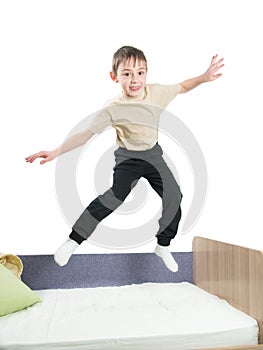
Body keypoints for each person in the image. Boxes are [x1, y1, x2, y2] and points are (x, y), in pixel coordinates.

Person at [26, 46, 224, 272]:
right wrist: (55, 151)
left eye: (140, 72)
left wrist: (204, 77)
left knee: (174, 195)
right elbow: (85, 135)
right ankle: (73, 240)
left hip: (153, 156)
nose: (134, 79)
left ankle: (163, 245)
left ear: (147, 73)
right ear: (115, 76)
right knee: (114, 198)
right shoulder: (113, 108)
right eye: (127, 73)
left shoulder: (156, 93)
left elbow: (183, 87)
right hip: (127, 158)